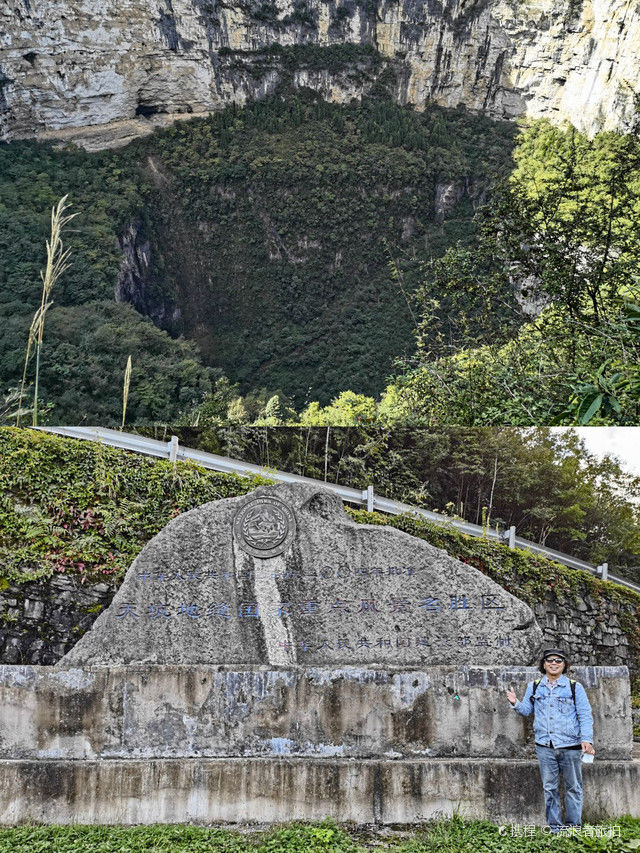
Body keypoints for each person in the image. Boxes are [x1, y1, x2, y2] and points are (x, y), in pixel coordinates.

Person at [506, 647, 595, 832]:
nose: (554, 663)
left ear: (564, 665)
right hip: (544, 746)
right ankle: (555, 828)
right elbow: (527, 711)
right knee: (550, 788)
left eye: (558, 660)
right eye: (550, 660)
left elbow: (585, 714)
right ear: (544, 664)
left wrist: (587, 739)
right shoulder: (535, 685)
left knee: (573, 788)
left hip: (570, 746)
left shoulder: (574, 687)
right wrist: (515, 702)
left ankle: (573, 828)